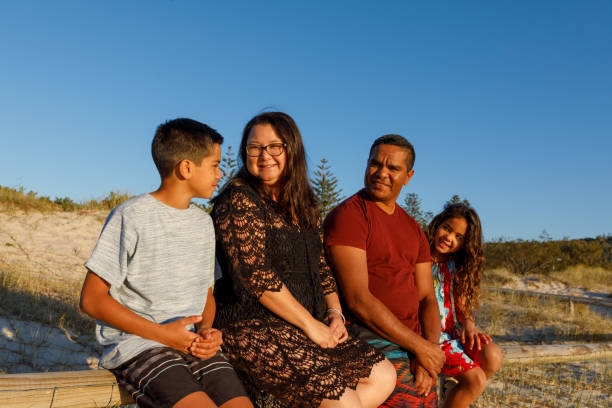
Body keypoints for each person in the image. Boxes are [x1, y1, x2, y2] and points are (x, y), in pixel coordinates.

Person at [209, 112, 396, 408]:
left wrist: (335, 313)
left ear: (291, 148)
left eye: (274, 146)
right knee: (344, 403)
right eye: (254, 147)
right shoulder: (239, 201)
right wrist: (310, 325)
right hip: (254, 324)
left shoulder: (305, 204)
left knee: (384, 375)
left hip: (306, 323)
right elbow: (255, 275)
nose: (264, 155)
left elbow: (321, 268)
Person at [80, 118, 252, 408]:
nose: (219, 174)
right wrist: (164, 335)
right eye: (214, 164)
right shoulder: (131, 216)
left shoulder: (202, 223)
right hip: (140, 346)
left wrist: (207, 329)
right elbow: (92, 299)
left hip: (192, 346)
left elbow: (206, 294)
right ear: (186, 168)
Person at [324, 134, 445, 407]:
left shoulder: (414, 229)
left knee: (428, 399)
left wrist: (429, 349)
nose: (381, 173)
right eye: (375, 164)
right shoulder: (351, 216)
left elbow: (427, 297)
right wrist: (420, 347)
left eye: (393, 168)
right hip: (366, 335)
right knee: (410, 400)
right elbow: (358, 300)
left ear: (408, 176)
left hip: (411, 341)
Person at [427, 204, 502, 408]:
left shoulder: (455, 264)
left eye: (459, 237)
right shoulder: (419, 255)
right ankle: (460, 388)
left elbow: (461, 305)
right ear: (437, 224)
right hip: (429, 333)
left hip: (452, 330)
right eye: (447, 229)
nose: (449, 238)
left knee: (492, 356)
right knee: (476, 380)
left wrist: (469, 324)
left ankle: (455, 391)